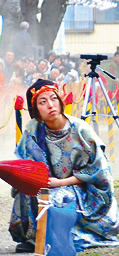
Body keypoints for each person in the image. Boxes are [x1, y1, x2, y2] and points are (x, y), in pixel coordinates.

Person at [10, 79, 119, 252]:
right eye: (42, 102)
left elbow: (99, 173)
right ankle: (33, 237)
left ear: (60, 102)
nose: (50, 105)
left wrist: (60, 183)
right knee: (24, 190)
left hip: (83, 189)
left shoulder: (81, 130)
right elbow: (26, 162)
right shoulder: (33, 129)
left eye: (54, 98)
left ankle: (59, 237)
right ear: (35, 110)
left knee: (58, 197)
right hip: (48, 183)